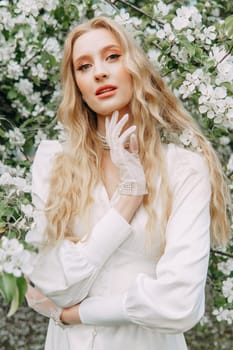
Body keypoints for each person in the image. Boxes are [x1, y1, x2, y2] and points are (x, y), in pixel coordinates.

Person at [25, 16, 231, 350]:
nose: (99, 72)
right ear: (76, 83)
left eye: (112, 56)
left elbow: (179, 304)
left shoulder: (183, 169)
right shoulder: (53, 162)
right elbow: (52, 284)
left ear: (135, 66)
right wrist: (128, 199)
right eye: (84, 66)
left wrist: (73, 314)